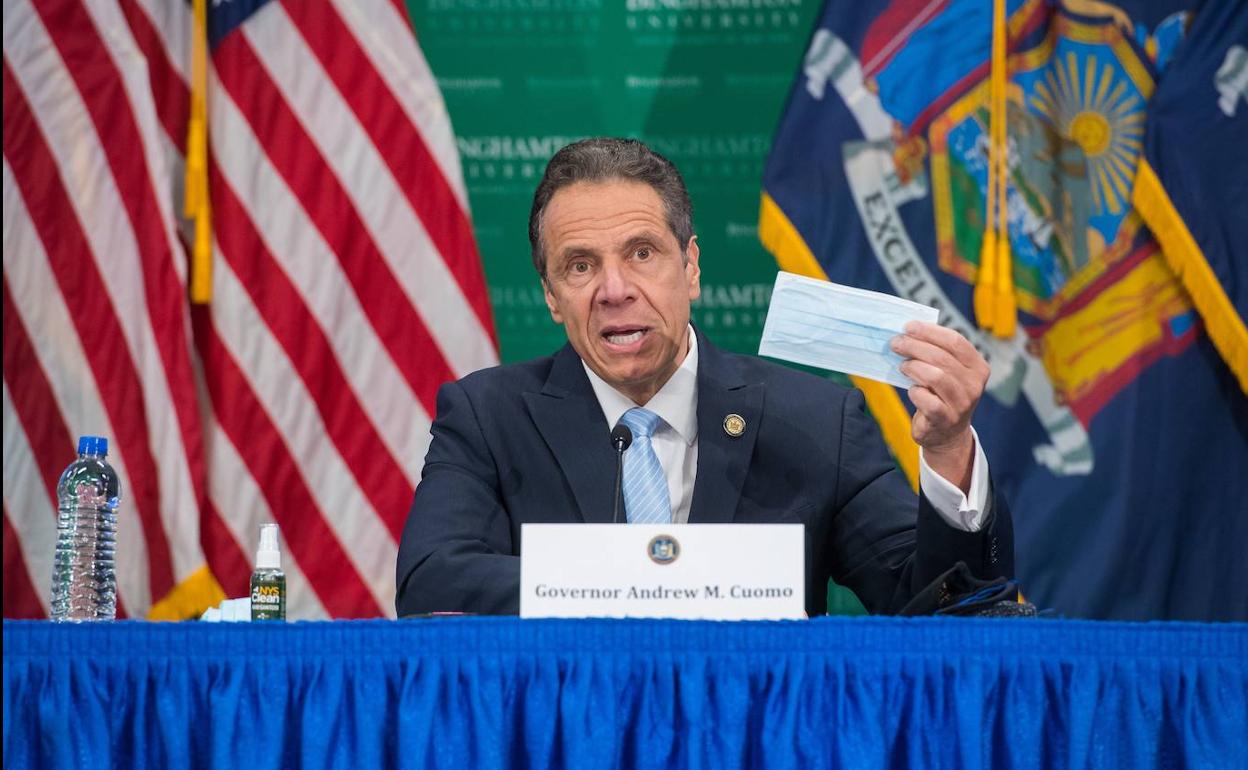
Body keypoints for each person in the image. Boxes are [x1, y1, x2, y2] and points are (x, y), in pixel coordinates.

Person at [396, 138, 1012, 617]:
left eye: (642, 253)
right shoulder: (488, 416)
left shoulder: (818, 420)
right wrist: (659, 580)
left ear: (690, 268)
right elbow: (432, 583)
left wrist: (950, 447)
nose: (615, 291)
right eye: (580, 266)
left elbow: (936, 602)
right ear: (553, 296)